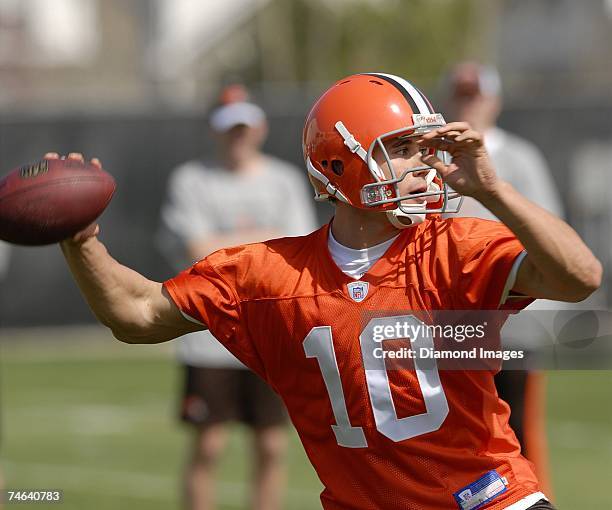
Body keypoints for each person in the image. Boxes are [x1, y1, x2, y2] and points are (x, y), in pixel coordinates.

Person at [56, 73, 602, 509]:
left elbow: (579, 278)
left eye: (422, 147)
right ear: (340, 164)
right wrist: (81, 243)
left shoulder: (455, 246)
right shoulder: (266, 274)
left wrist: (494, 190)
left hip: (487, 499)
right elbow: (134, 312)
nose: (424, 165)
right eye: (403, 148)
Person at [156, 84, 318, 510]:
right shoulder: (191, 180)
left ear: (260, 128)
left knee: (271, 446)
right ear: (214, 130)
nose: (239, 136)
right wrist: (261, 243)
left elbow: (298, 245)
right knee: (208, 444)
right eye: (231, 128)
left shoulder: (283, 180)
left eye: (245, 126)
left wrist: (226, 245)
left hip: (271, 331)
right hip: (206, 333)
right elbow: (198, 251)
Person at [444, 62, 564, 496]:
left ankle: (535, 500)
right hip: (451, 323)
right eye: (461, 95)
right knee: (457, 431)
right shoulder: (435, 162)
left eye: (475, 95)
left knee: (518, 428)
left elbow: (548, 234)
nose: (468, 103)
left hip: (512, 319)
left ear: (494, 100)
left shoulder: (520, 158)